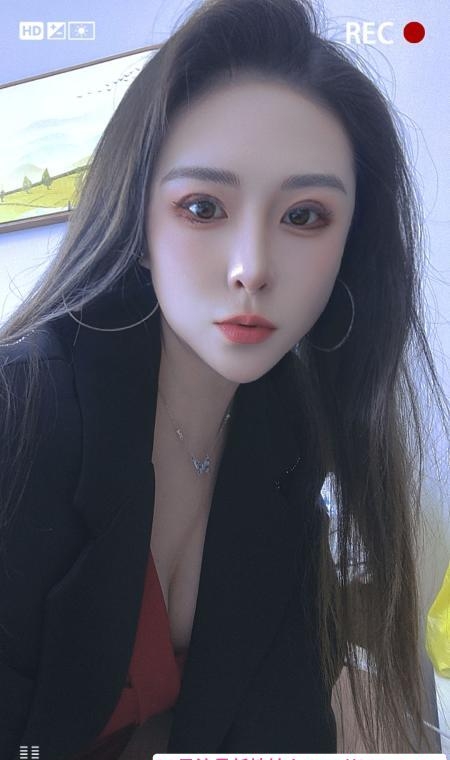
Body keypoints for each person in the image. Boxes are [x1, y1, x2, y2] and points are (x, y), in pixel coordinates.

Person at [0, 0, 448, 758]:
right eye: (203, 207)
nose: (253, 268)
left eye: (304, 217)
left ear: (353, 245)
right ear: (138, 221)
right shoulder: (22, 411)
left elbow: (281, 717)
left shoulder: (291, 435)